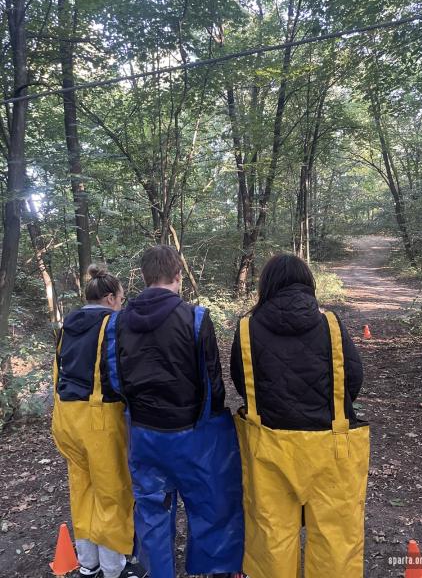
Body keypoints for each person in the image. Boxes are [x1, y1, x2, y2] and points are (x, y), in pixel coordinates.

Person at [104, 245, 244, 578]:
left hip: (144, 433)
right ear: (178, 276)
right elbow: (212, 382)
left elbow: (115, 379)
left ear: (143, 276)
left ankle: (159, 572)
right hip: (193, 433)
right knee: (210, 505)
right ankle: (216, 570)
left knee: (153, 512)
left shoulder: (117, 322)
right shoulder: (195, 317)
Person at [230, 253, 370, 578]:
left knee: (272, 537)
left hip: (268, 449)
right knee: (336, 540)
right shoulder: (331, 325)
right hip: (331, 448)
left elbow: (242, 381)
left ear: (267, 286)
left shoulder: (247, 328)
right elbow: (353, 378)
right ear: (308, 283)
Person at [52, 265, 140, 578]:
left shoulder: (67, 326)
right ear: (110, 298)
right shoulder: (113, 324)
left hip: (66, 418)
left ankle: (88, 563)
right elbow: (123, 375)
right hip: (99, 420)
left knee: (82, 490)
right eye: (121, 299)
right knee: (112, 494)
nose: (121, 304)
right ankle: (114, 568)